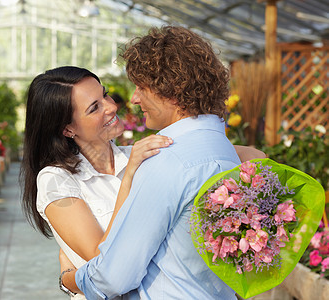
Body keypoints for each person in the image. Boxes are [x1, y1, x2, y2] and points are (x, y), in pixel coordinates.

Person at [20, 68, 264, 297]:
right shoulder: (56, 180)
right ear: (67, 129)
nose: (111, 107)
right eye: (94, 108)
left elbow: (254, 156)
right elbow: (104, 262)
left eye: (104, 95)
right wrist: (128, 179)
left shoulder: (136, 155)